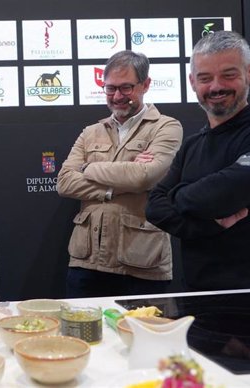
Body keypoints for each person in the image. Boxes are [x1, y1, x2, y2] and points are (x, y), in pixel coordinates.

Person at [146, 30, 250, 291]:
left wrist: (176, 196)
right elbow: (154, 208)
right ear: (192, 82)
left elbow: (219, 196)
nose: (216, 86)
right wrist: (209, 225)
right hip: (197, 300)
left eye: (228, 75)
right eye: (205, 78)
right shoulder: (192, 146)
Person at [56, 50, 183, 297]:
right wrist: (118, 184)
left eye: (126, 88)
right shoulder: (90, 132)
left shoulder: (167, 127)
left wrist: (88, 169)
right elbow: (64, 182)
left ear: (145, 85)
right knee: (82, 335)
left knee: (142, 335)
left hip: (143, 262)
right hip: (87, 261)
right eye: (110, 88)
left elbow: (145, 176)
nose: (117, 96)